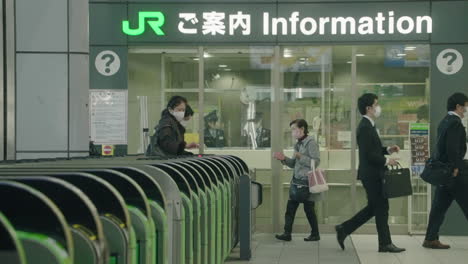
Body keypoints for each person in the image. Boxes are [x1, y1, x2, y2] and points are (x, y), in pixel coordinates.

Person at [335, 93, 405, 253]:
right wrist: (387, 161)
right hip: (372, 175)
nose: (378, 107)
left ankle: (344, 228)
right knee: (381, 207)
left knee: (375, 208)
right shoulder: (365, 127)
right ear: (368, 108)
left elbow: (374, 150)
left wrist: (387, 149)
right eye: (376, 104)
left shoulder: (369, 126)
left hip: (373, 174)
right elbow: (369, 155)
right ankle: (385, 243)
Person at [423, 92, 468, 249]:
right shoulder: (455, 122)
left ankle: (430, 238)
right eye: (465, 107)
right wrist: (456, 168)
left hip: (444, 173)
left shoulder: (444, 121)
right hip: (454, 172)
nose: (466, 111)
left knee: (438, 207)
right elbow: (452, 149)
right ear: (458, 106)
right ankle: (430, 239)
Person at [273, 119, 321, 242]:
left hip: (306, 182)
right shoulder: (298, 144)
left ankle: (315, 234)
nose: (292, 132)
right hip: (296, 181)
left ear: (302, 129)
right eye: (292, 130)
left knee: (309, 209)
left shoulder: (311, 143)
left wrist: (301, 156)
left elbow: (315, 162)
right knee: (291, 208)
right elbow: (294, 164)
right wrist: (283, 159)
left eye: (294, 129)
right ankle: (287, 233)